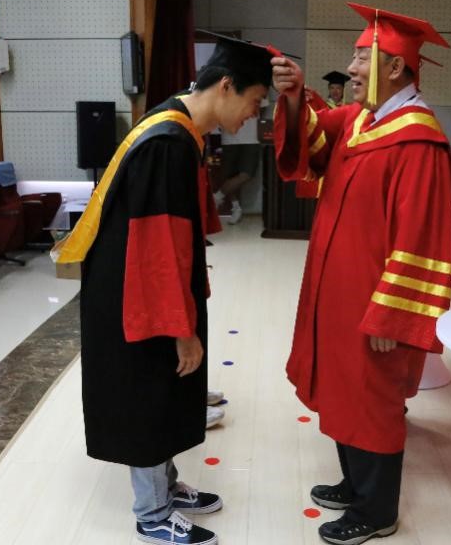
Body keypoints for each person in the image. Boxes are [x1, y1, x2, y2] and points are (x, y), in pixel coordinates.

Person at [53, 33, 277, 545]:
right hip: (138, 293)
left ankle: (167, 487)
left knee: (168, 389)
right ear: (226, 86)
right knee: (152, 391)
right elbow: (156, 248)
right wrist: (181, 328)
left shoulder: (176, 122)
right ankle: (152, 514)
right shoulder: (168, 144)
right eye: (255, 100)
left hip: (140, 282)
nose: (254, 113)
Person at [271, 2, 451, 544]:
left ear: (395, 67)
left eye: (360, 57)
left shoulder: (418, 141)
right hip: (337, 294)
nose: (350, 68)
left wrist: (391, 316)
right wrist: (292, 94)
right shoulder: (360, 120)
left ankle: (377, 512)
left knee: (373, 400)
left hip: (375, 305)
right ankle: (355, 485)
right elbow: (311, 141)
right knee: (343, 390)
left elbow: (421, 240)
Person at [213, 114, 262, 224]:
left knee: (248, 173)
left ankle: (217, 197)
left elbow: (262, 107)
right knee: (229, 175)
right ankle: (236, 208)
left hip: (251, 136)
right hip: (229, 135)